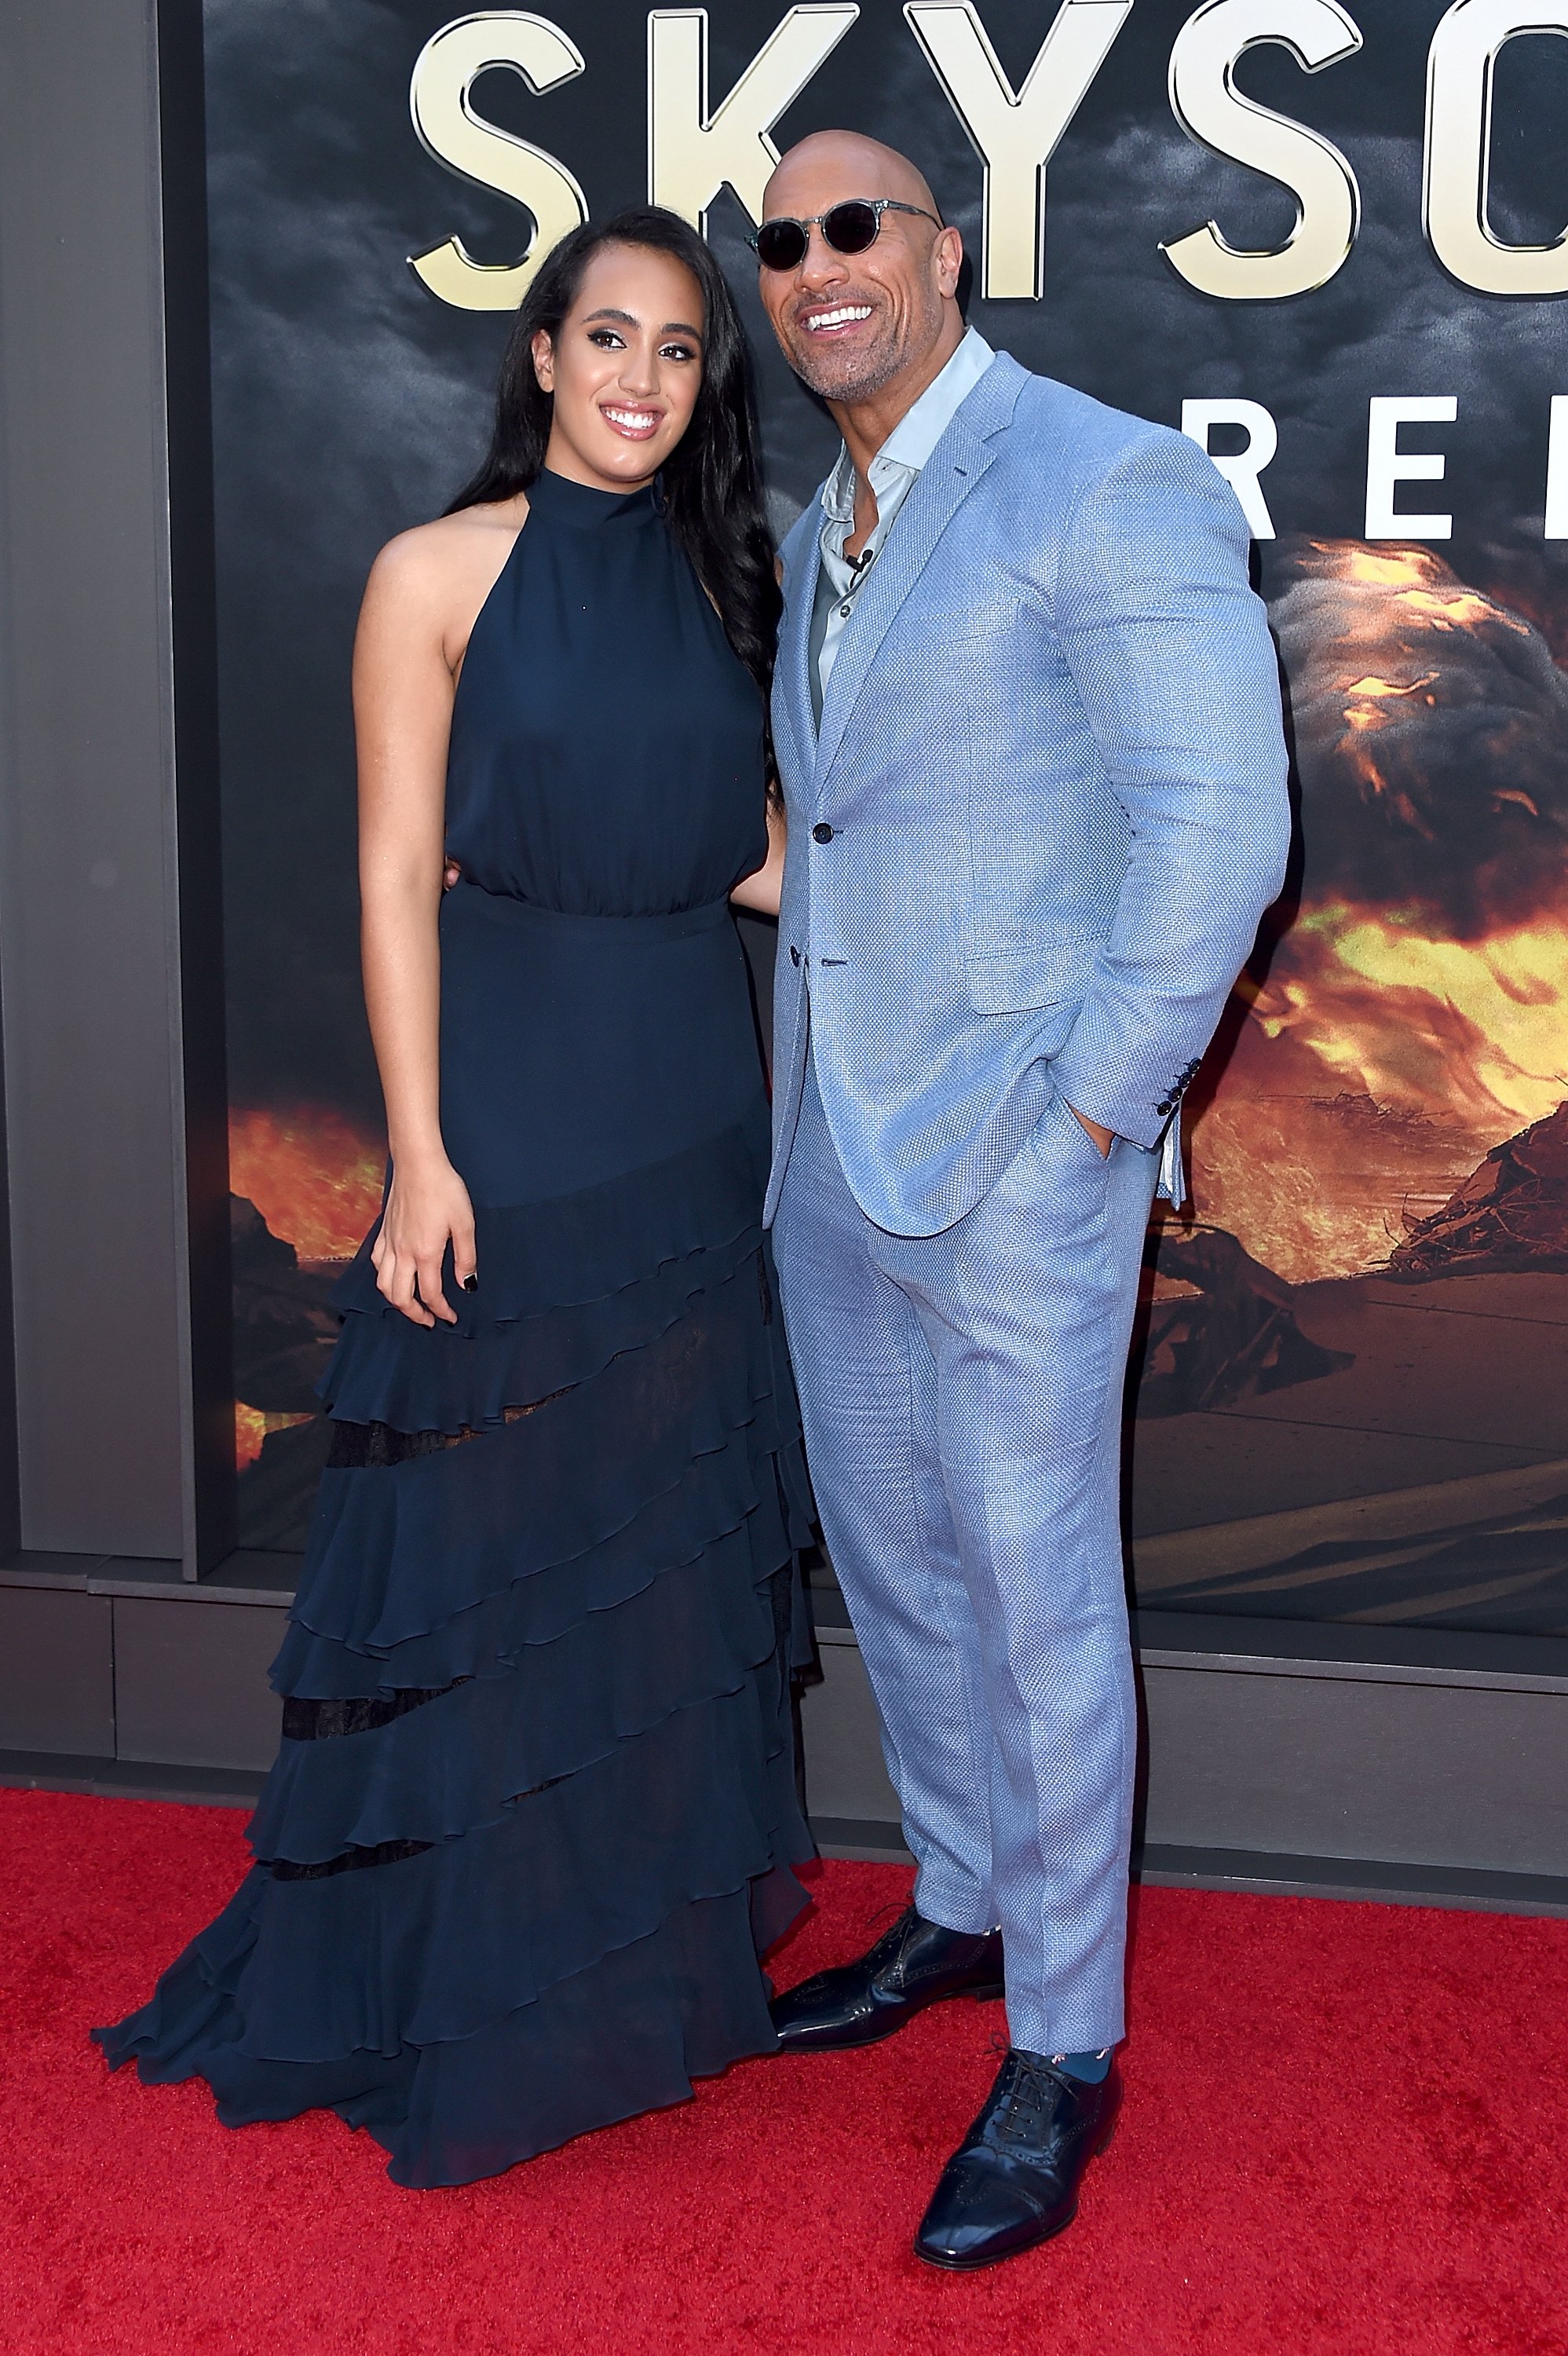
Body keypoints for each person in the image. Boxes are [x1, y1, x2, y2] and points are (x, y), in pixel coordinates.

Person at [95, 208, 813, 2189]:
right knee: (496, 1548)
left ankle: (609, 1967)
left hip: (691, 1090)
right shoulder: (432, 571)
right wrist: (419, 1152)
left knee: (649, 1550)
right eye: (609, 339)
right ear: (543, 351)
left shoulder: (721, 576)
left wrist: (985, 898)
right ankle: (454, 1973)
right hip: (511, 1093)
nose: (642, 383)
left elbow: (760, 862)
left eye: (680, 353)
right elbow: (393, 871)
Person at [753, 134, 1291, 2269]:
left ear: (943, 248)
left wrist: (1088, 1116)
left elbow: (1217, 830)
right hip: (826, 1146)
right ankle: (960, 1913)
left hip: (1013, 1167)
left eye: (851, 227)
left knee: (1038, 1598)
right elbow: (861, 836)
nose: (814, 270)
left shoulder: (1107, 477)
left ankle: (1062, 2048)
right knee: (895, 1573)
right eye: (777, 246)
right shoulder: (823, 521)